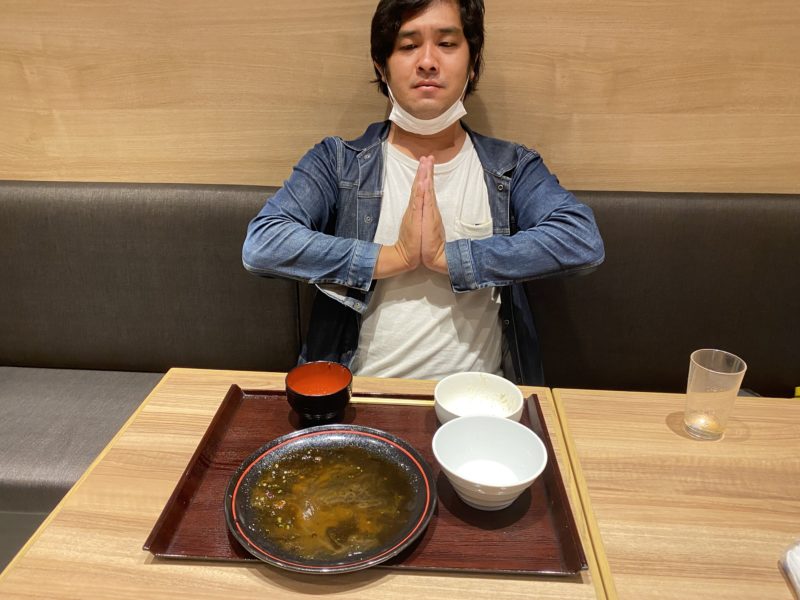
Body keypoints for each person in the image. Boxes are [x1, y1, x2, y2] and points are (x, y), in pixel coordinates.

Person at [242, 0, 604, 385]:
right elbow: (263, 244)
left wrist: (453, 259)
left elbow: (580, 240)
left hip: (482, 401)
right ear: (381, 65)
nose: (428, 61)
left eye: (446, 44)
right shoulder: (337, 162)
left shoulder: (512, 167)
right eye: (408, 45)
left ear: (473, 61)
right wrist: (392, 256)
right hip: (359, 396)